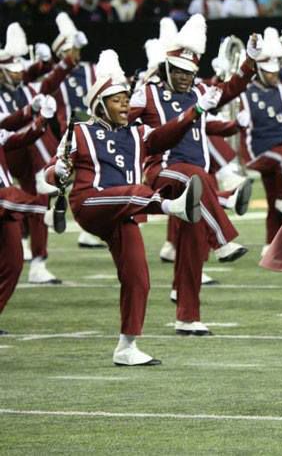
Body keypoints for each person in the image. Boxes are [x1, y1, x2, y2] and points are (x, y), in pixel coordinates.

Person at [47, 50, 205, 365]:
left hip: (124, 210)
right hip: (90, 203)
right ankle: (172, 206)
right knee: (137, 192)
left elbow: (165, 134)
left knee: (138, 277)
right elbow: (51, 172)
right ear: (100, 105)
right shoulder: (79, 132)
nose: (126, 106)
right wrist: (58, 172)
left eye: (126, 99)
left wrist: (195, 111)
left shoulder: (138, 133)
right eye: (118, 100)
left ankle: (127, 347)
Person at [128, 14, 255, 336]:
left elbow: (227, 90)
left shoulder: (200, 90)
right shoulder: (147, 93)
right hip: (162, 170)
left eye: (190, 72)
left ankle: (187, 317)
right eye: (180, 72)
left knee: (192, 249)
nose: (185, 78)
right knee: (196, 177)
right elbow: (143, 135)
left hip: (195, 181)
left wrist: (250, 63)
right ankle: (224, 233)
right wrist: (193, 113)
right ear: (166, 68)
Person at [0, 22, 78, 284]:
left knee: (34, 200)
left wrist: (61, 62)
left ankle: (35, 258)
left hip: (26, 147)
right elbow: (6, 125)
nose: (17, 75)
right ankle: (34, 257)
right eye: (11, 71)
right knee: (32, 199)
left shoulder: (23, 86)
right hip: (11, 151)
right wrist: (30, 113)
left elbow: (43, 79)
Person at [237, 27, 282, 253]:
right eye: (269, 72)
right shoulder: (245, 92)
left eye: (276, 71)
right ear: (259, 71)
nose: (274, 75)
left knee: (274, 194)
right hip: (259, 151)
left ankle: (272, 244)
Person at [50, 12, 106, 249]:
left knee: (93, 178)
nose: (76, 53)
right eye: (71, 49)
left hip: (91, 129)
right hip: (71, 133)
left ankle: (89, 229)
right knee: (71, 179)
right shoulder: (54, 75)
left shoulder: (89, 69)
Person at [0, 105, 53, 334]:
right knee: (26, 201)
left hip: (5, 197)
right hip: (4, 197)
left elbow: (18, 138)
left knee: (13, 261)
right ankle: (43, 209)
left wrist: (42, 121)